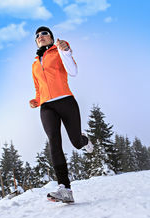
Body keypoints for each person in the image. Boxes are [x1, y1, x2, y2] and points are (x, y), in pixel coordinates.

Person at [30, 26, 93, 203]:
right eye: (37, 36)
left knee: (75, 142)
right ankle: (65, 188)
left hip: (66, 101)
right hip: (46, 106)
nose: (40, 36)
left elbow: (73, 72)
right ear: (36, 41)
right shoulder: (35, 63)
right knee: (54, 141)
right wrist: (36, 100)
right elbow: (38, 87)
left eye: (44, 34)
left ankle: (84, 140)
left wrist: (65, 51)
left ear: (51, 38)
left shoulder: (59, 51)